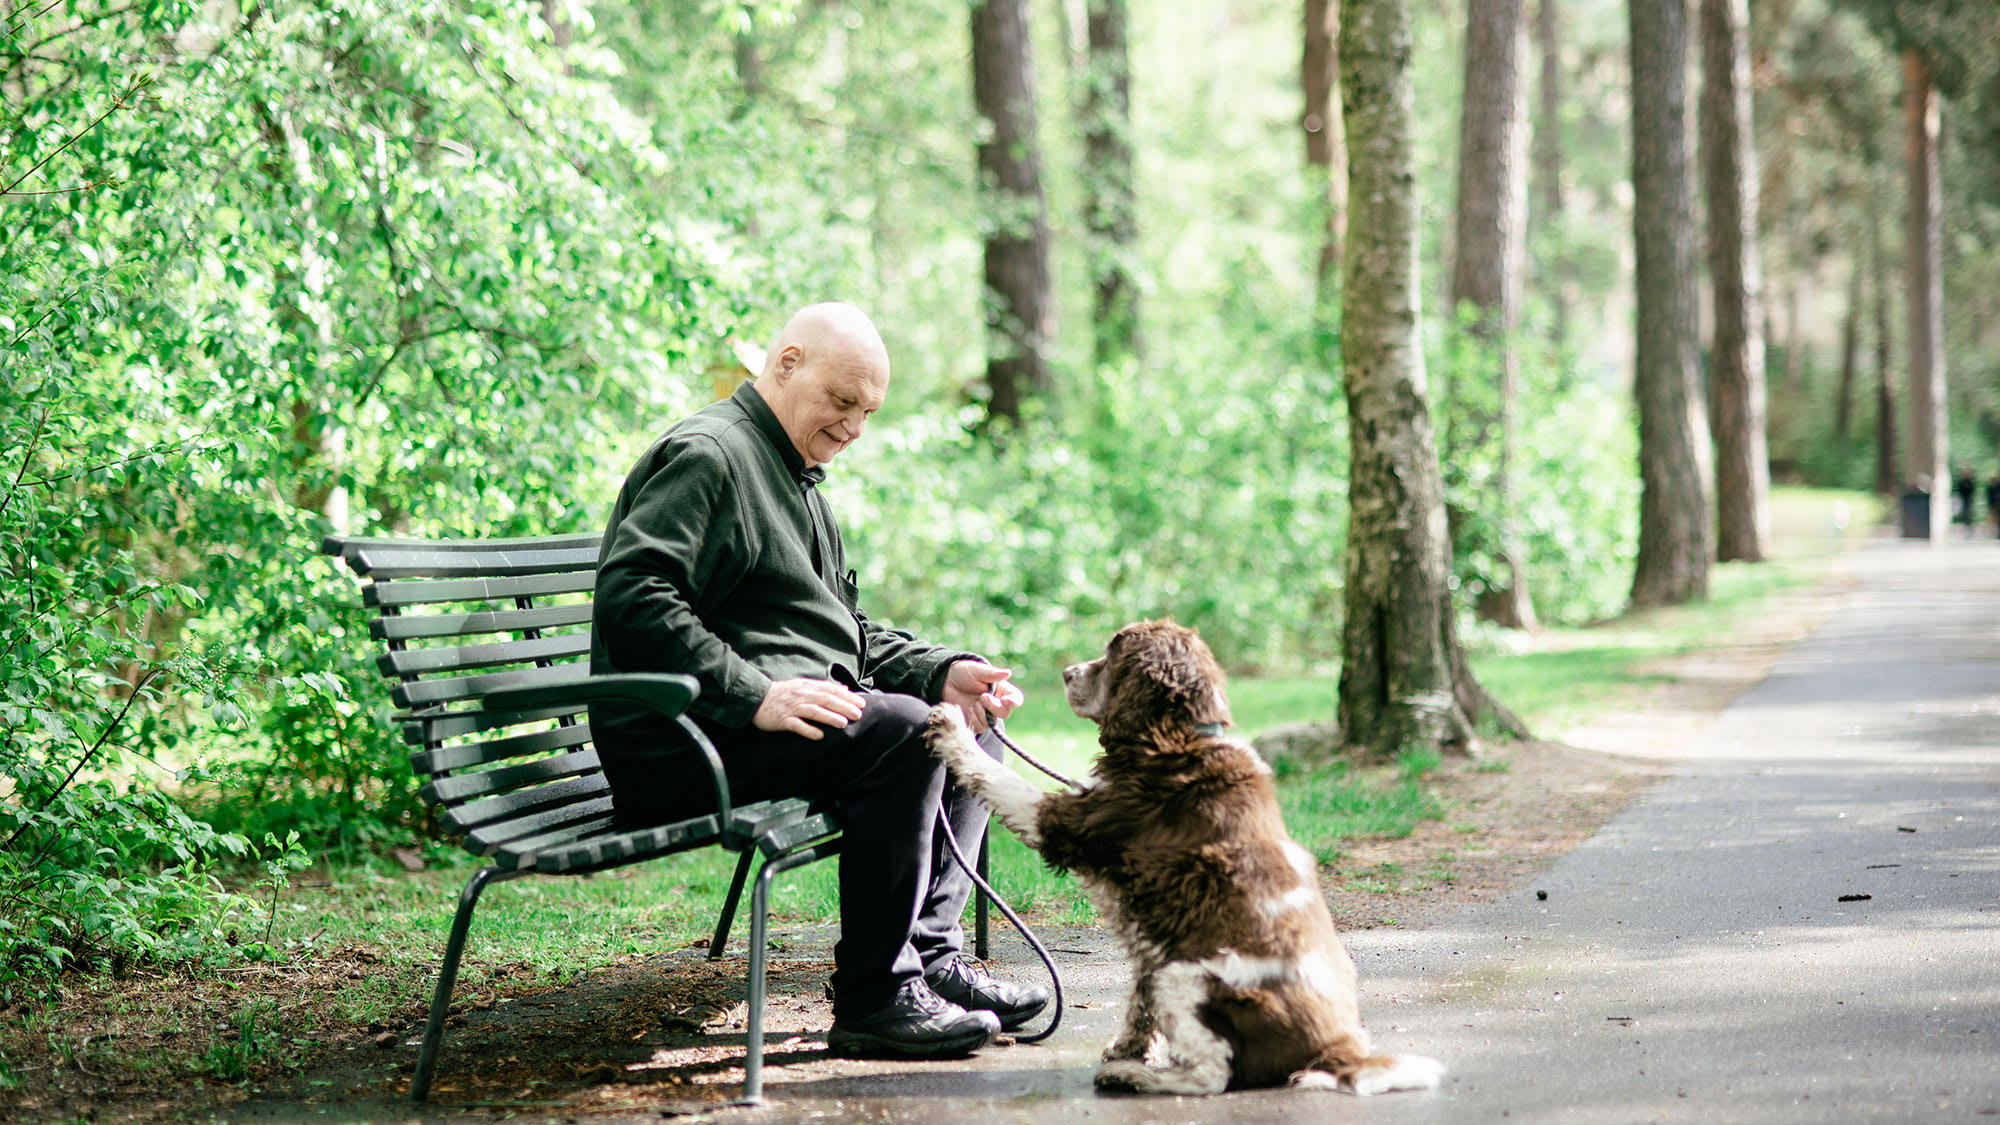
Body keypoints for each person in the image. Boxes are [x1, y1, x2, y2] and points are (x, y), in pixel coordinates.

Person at [587, 302, 1049, 1060]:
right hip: (683, 740)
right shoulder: (711, 455)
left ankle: (929, 960)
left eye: (867, 411)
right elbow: (635, 595)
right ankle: (876, 996)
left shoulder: (797, 477)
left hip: (749, 726)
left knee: (956, 722)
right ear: (787, 363)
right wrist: (753, 693)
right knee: (905, 733)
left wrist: (943, 671)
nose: (853, 427)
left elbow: (844, 632)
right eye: (842, 402)